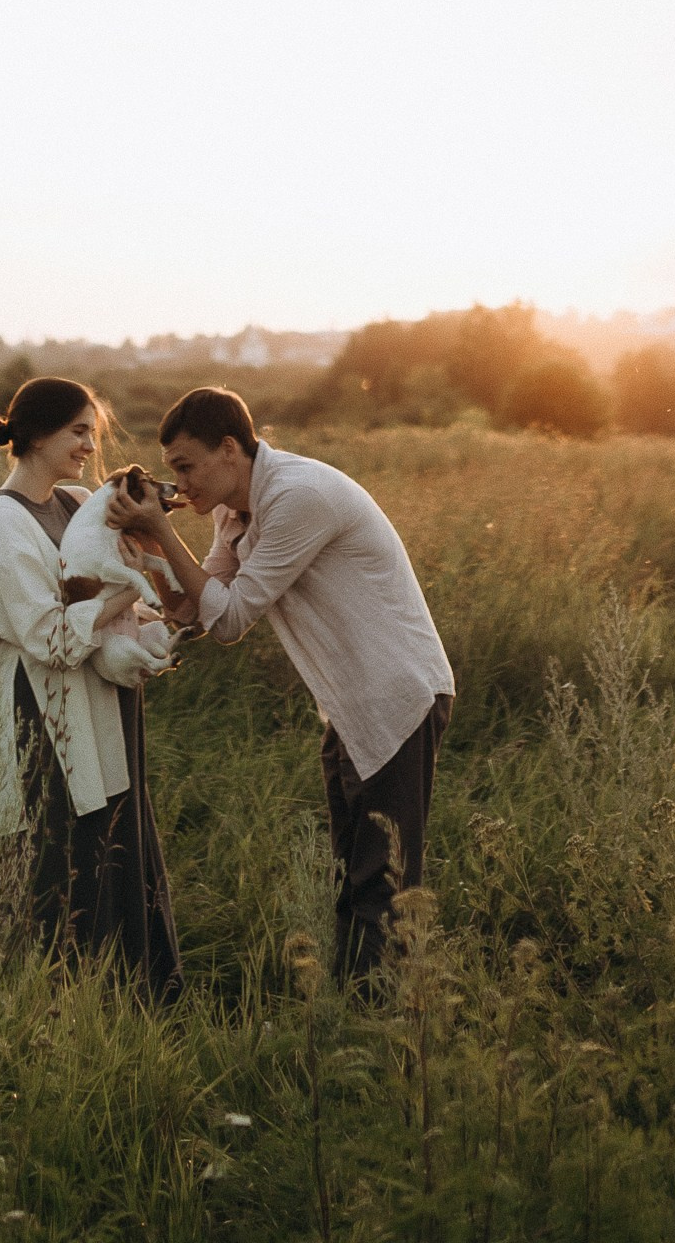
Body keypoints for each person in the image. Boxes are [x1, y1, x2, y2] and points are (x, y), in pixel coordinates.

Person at [107, 386, 453, 982]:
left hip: (397, 698)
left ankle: (391, 1031)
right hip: (348, 706)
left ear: (229, 448)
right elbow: (196, 611)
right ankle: (362, 1019)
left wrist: (162, 533)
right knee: (353, 874)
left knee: (385, 883)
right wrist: (145, 542)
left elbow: (232, 616)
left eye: (187, 467)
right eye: (172, 472)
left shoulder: (298, 496)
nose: (180, 484)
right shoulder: (233, 511)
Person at [0, 376, 182, 999]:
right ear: (34, 434)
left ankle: (138, 999)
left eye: (95, 433)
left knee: (119, 836)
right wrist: (122, 594)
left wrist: (143, 607)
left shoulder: (77, 501)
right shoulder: (1, 524)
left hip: (101, 696)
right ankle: (67, 1002)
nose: (90, 445)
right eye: (78, 431)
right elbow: (49, 638)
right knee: (65, 852)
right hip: (44, 708)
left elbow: (116, 585)